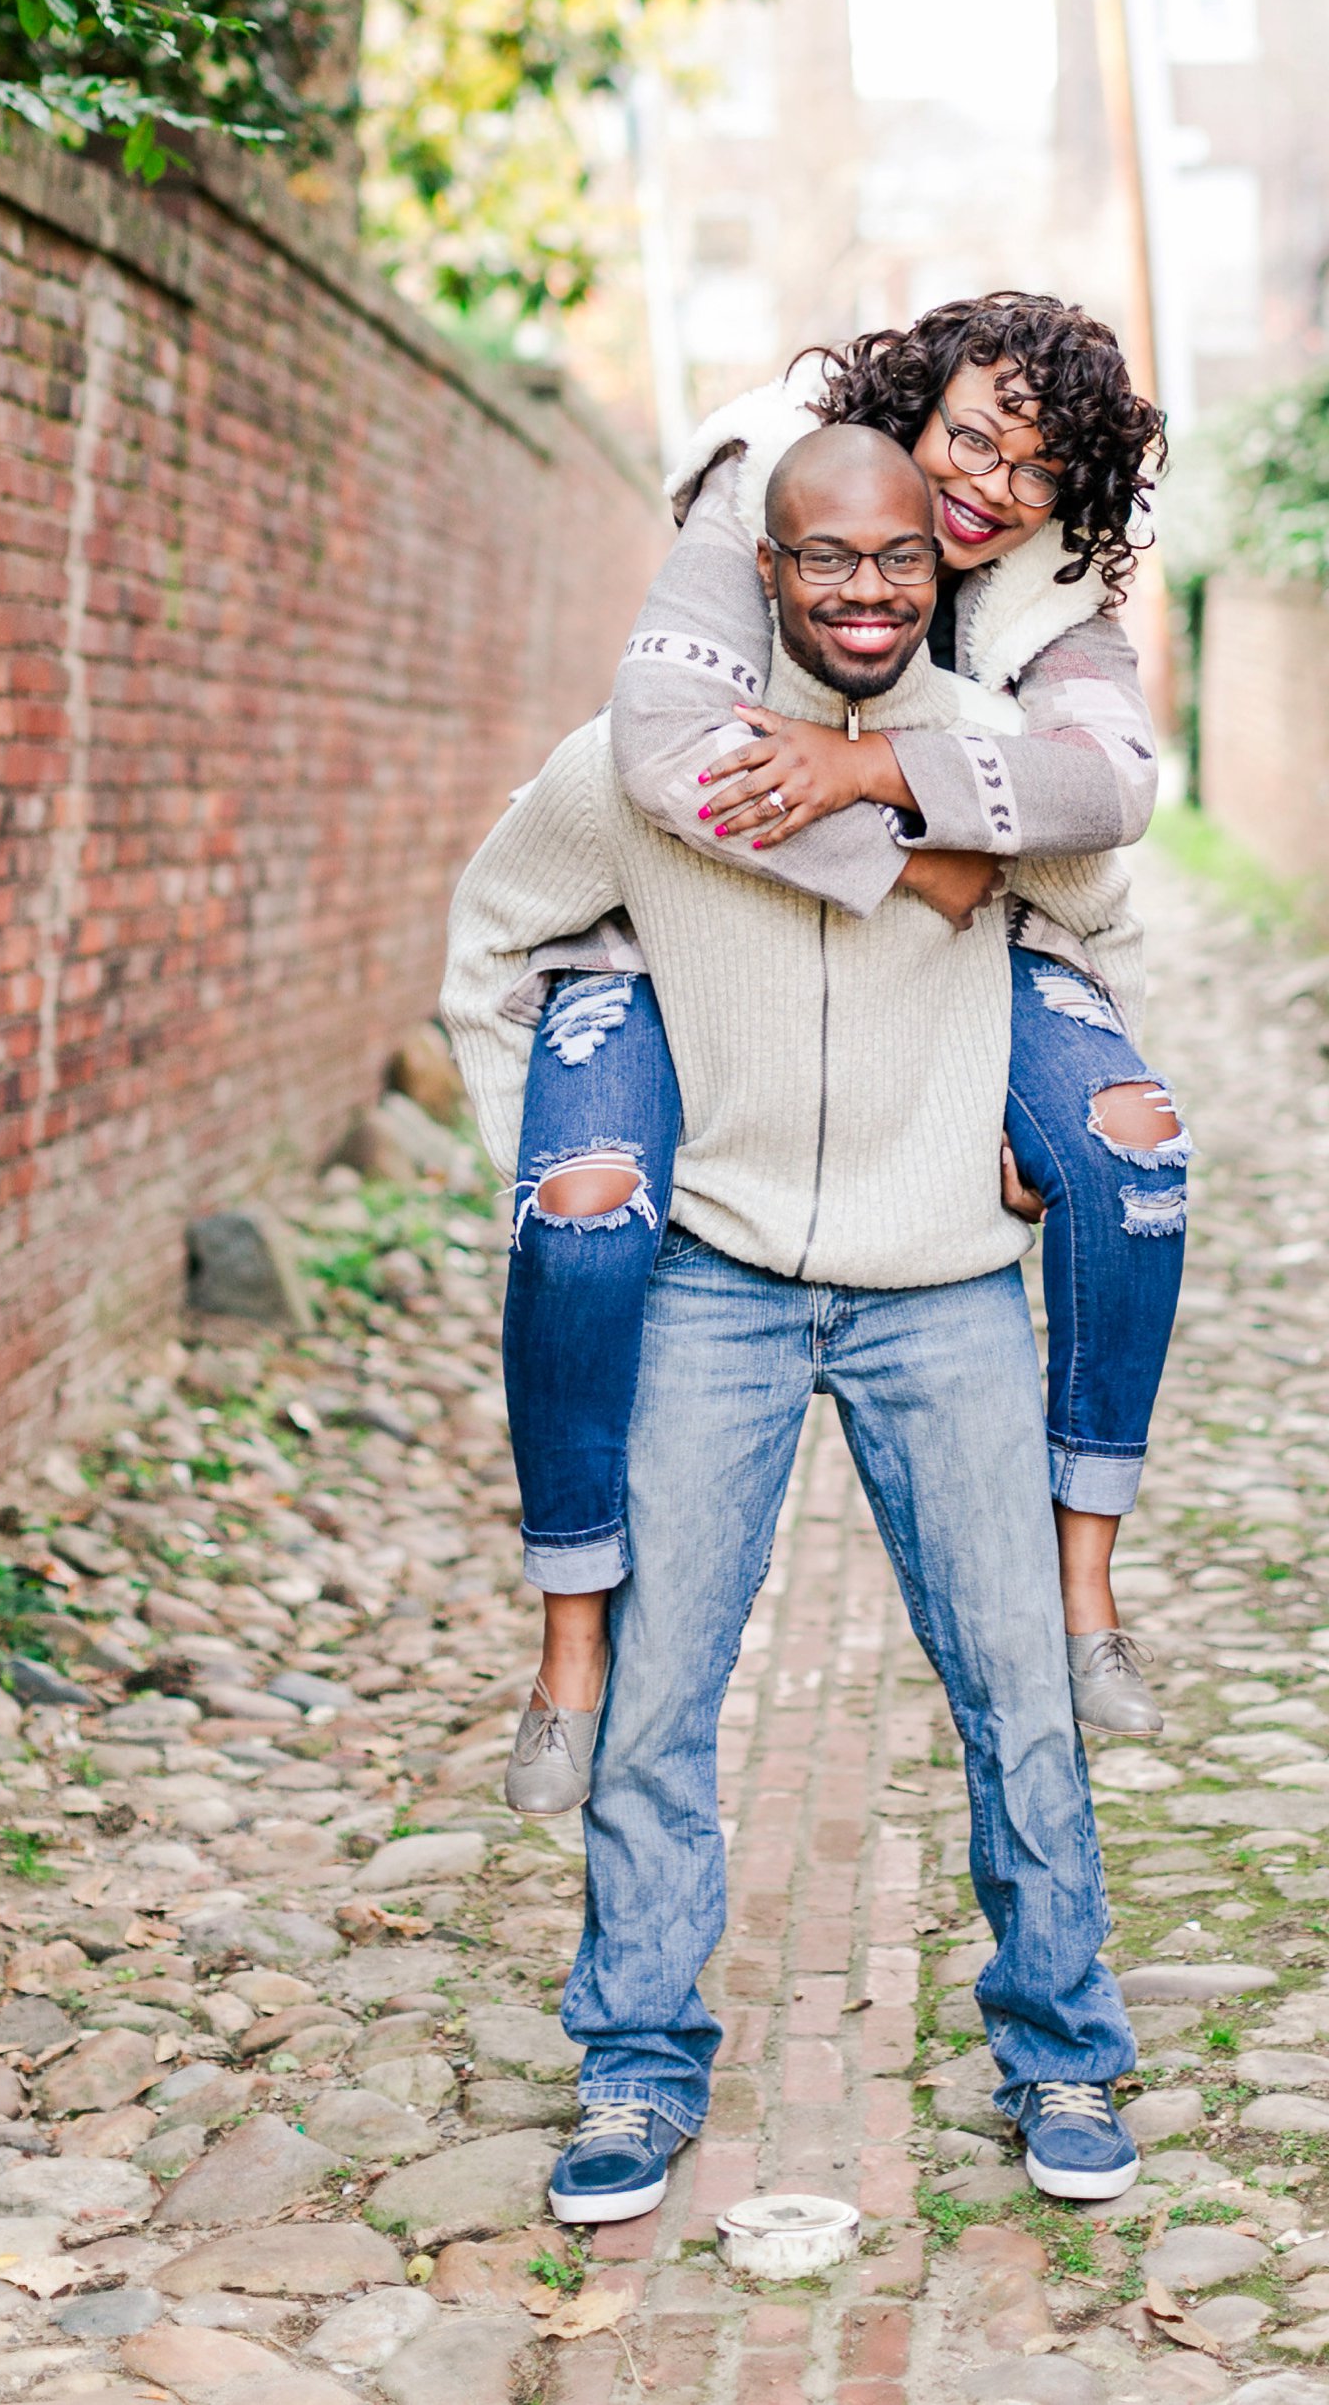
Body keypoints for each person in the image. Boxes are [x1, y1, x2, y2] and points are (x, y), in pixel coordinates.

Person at [444, 423, 1143, 2224]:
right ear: (765, 568)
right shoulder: (646, 761)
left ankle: (1062, 2058)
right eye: (823, 559)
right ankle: (634, 2067)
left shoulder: (988, 756)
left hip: (945, 1292)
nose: (862, 589)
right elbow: (492, 942)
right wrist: (550, 1170)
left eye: (898, 559)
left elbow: (1100, 912)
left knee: (1018, 1697)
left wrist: (1033, 1113)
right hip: (717, 1282)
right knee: (662, 1703)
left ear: (941, 570)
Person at [502, 292, 1186, 1817]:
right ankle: (568, 1648)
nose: (990, 490)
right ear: (914, 401)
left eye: (1037, 471)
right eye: (974, 439)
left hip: (983, 947)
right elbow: (671, 740)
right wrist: (911, 862)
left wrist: (875, 773)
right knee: (584, 1218)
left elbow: (1109, 790)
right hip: (716, 926)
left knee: (1140, 1154)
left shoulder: (1048, 602)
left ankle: (1087, 1590)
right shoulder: (773, 477)